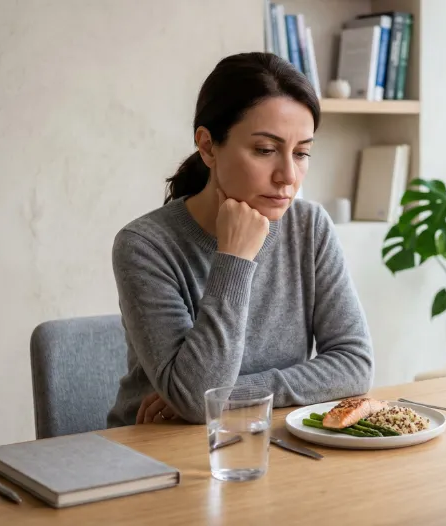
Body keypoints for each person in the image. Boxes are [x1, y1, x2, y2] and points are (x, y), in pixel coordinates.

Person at [106, 52, 374, 427]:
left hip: (267, 439)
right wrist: (234, 258)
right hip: (157, 449)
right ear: (208, 145)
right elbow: (198, 402)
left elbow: (354, 364)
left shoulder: (309, 226)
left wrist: (231, 395)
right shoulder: (145, 245)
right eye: (265, 150)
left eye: (301, 153)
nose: (288, 176)